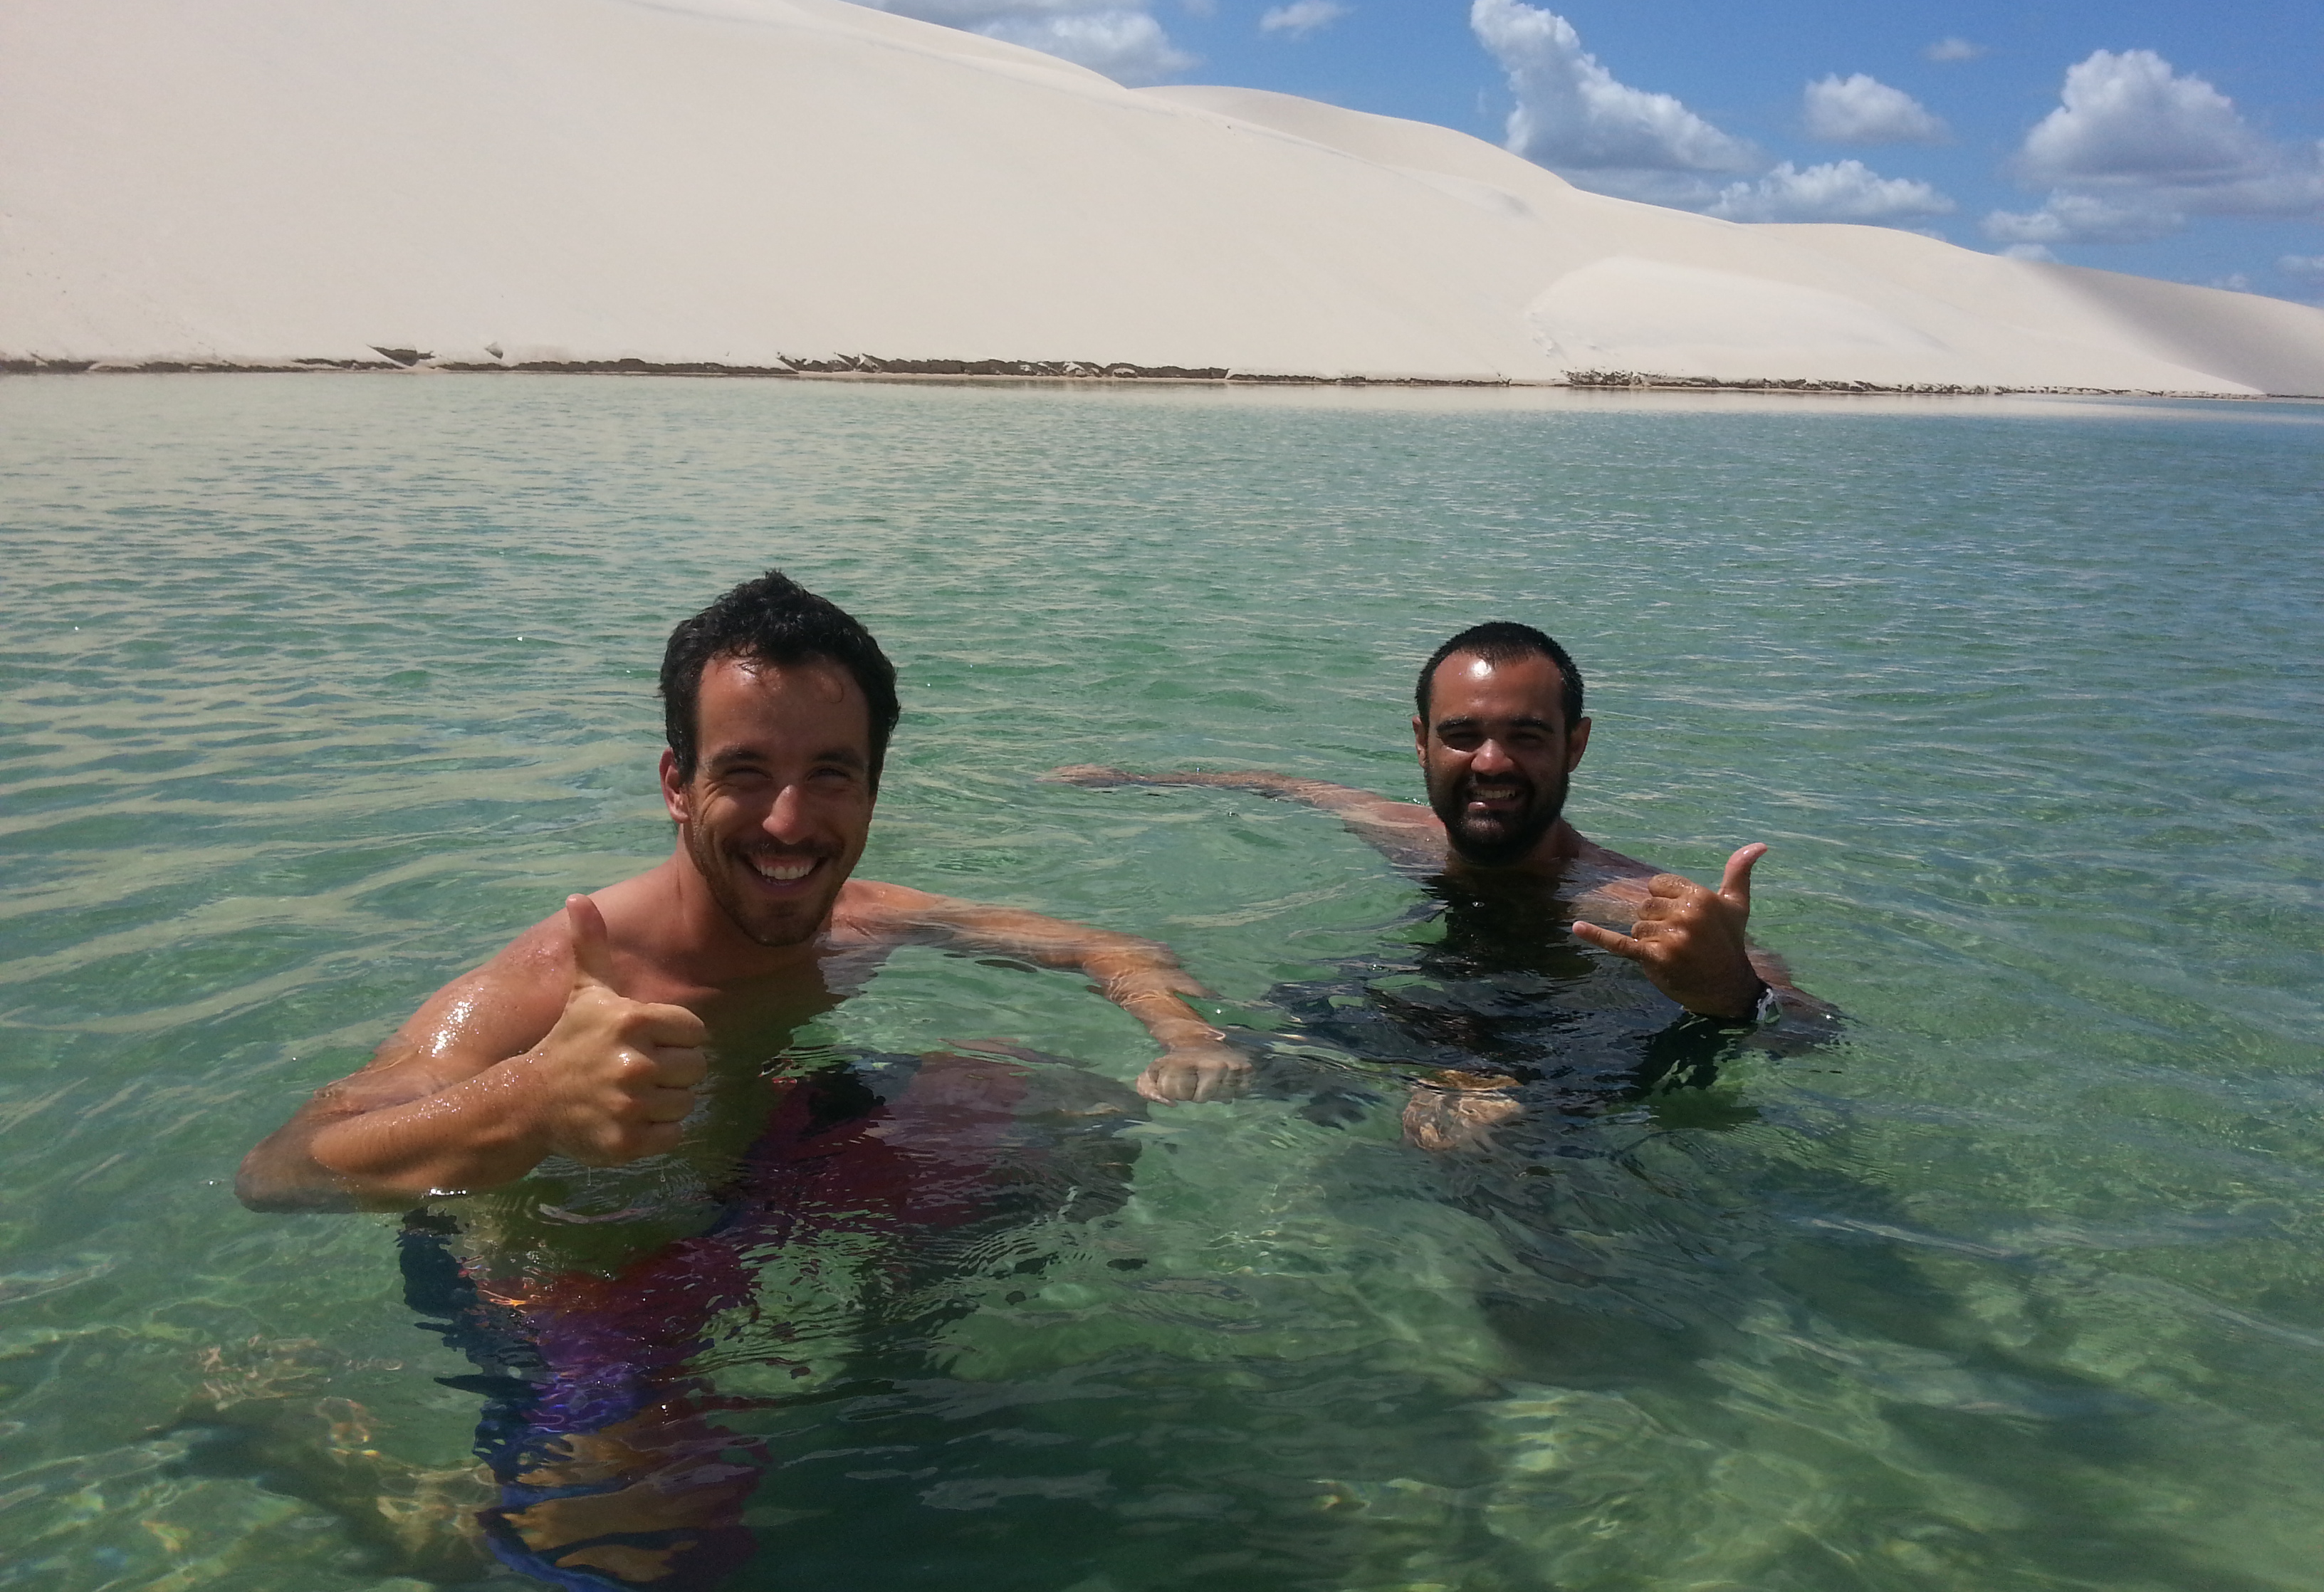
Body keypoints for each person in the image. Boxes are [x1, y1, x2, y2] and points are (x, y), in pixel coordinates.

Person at [234, 569, 1246, 1588]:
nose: (788, 822)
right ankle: (323, 1457)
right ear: (677, 783)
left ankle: (890, 1366)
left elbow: (1102, 948)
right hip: (576, 1276)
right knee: (622, 1565)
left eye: (831, 774)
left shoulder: (857, 915)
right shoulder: (556, 981)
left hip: (762, 1174)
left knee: (1064, 1107)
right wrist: (533, 1101)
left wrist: (1183, 1033)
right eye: (746, 772)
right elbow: (278, 1171)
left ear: (873, 787)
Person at [1056, 621, 1834, 1151]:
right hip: (1424, 1014)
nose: (1490, 763)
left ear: (1576, 746)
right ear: (1423, 741)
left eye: (1526, 737)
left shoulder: (1623, 900)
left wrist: (1734, 995)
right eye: (1463, 735)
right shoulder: (1408, 836)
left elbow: (1807, 1028)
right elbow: (1289, 786)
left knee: (1489, 1149)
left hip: (1566, 1047)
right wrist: (1131, 778)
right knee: (1181, 1068)